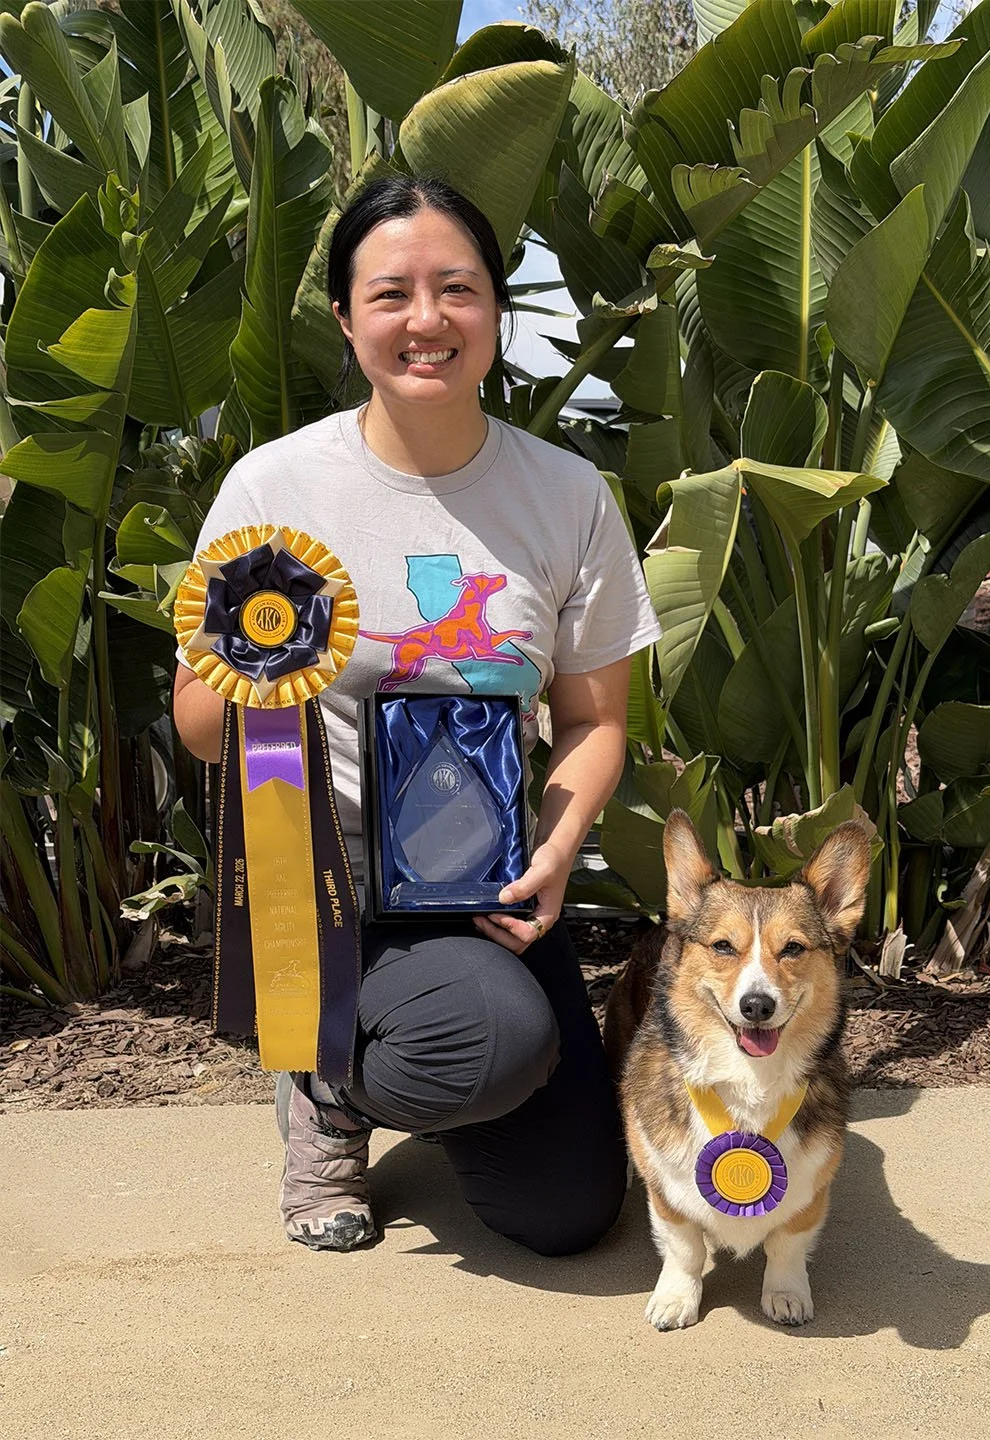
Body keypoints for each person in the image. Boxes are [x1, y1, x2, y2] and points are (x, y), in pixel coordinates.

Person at [173, 175, 661, 1257]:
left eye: (459, 288)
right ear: (346, 321)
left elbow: (594, 721)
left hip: (480, 879)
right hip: (322, 883)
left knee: (568, 1215)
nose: (427, 318)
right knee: (491, 1043)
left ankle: (410, 1058)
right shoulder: (272, 489)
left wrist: (557, 848)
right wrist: (263, 663)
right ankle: (330, 1087)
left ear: (497, 310)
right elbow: (202, 731)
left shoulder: (567, 495)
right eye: (391, 293)